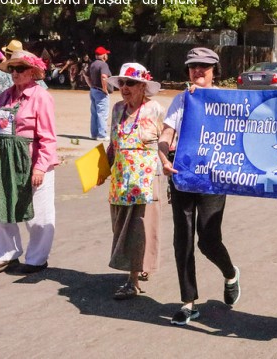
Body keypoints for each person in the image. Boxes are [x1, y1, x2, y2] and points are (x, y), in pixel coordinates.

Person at [157, 47, 241, 325]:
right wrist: (162, 156)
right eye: (193, 66)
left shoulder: (226, 100)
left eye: (204, 67)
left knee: (207, 239)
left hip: (213, 179)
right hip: (183, 176)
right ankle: (188, 302)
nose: (197, 71)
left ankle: (230, 273)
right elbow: (166, 133)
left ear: (214, 70)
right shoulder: (182, 101)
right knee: (183, 240)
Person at [0, 50, 58, 274]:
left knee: (39, 212)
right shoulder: (6, 95)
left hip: (31, 157)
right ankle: (5, 254)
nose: (15, 73)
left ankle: (37, 259)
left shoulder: (41, 97)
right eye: (13, 69)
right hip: (5, 158)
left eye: (21, 69)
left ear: (33, 72)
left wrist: (40, 166)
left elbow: (48, 136)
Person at [98, 63, 165, 299]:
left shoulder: (156, 109)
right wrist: (101, 170)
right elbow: (113, 144)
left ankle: (133, 280)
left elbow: (167, 144)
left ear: (143, 86)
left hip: (145, 179)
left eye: (131, 83)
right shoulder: (117, 109)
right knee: (120, 226)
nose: (125, 88)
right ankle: (138, 266)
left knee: (139, 228)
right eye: (122, 83)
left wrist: (168, 166)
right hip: (120, 178)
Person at [89, 46, 112, 141]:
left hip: (93, 90)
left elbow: (85, 75)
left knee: (94, 113)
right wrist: (105, 89)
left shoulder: (93, 64)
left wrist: (90, 85)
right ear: (103, 55)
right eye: (106, 54)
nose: (107, 56)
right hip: (100, 91)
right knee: (102, 113)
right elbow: (103, 77)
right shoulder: (103, 65)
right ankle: (102, 135)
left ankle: (94, 134)